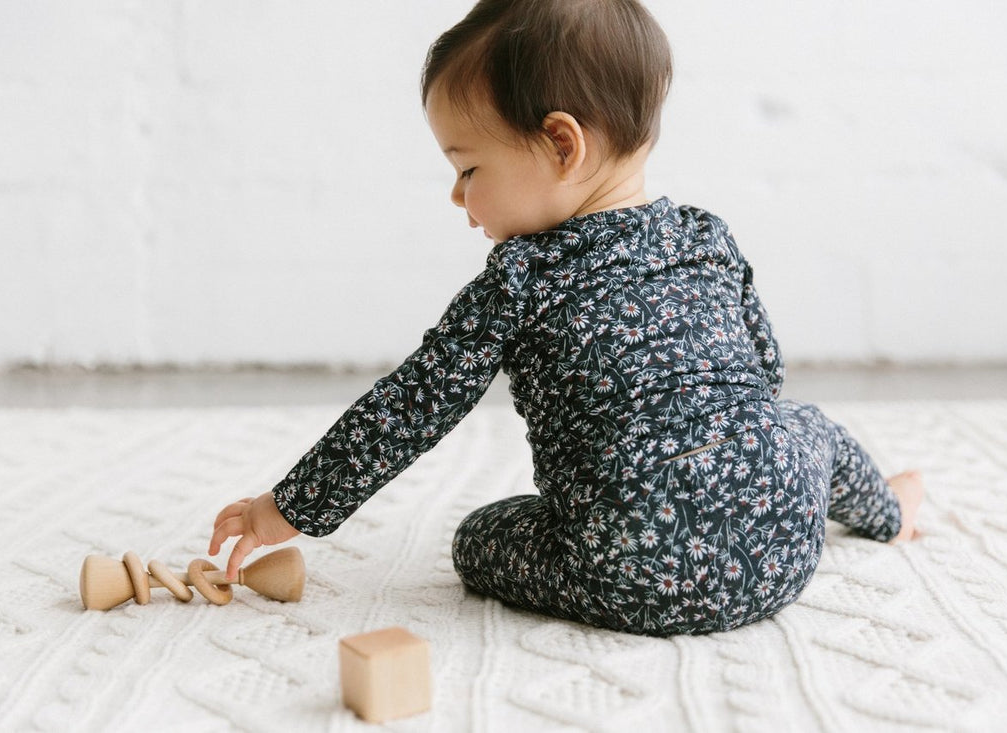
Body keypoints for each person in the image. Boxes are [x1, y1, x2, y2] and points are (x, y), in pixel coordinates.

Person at [209, 0, 923, 635]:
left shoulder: (521, 278)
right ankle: (889, 513)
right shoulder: (706, 237)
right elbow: (765, 371)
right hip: (783, 549)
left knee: (478, 539)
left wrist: (287, 508)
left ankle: (670, 534)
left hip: (627, 569)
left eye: (467, 169)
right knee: (804, 427)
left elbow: (412, 406)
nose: (457, 196)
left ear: (561, 144)